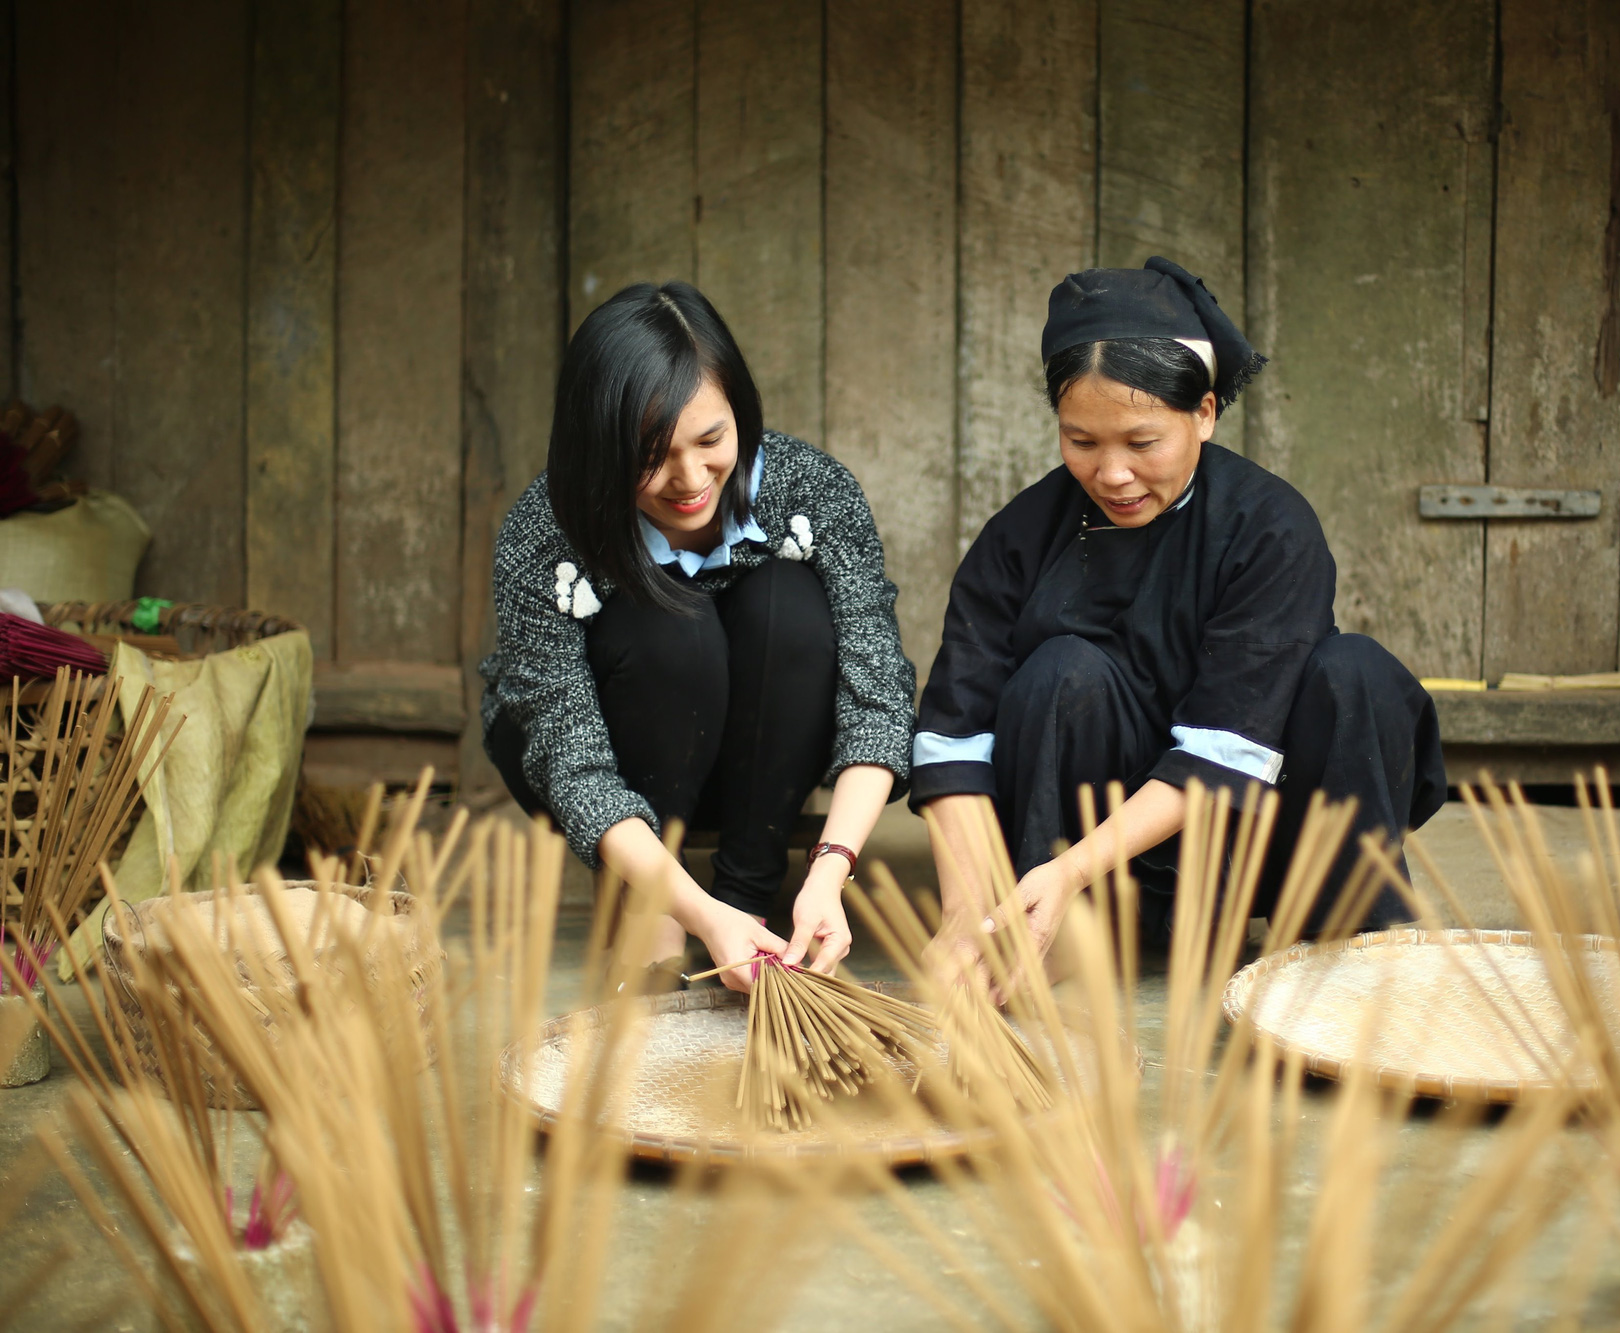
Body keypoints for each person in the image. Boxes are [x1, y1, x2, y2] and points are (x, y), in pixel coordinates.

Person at [912, 256, 1445, 980]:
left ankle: (1351, 950)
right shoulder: (1021, 534)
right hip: (1091, 857)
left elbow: (1226, 747)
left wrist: (1069, 868)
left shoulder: (1269, 526)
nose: (1112, 474)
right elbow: (954, 738)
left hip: (1256, 830)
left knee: (1356, 674)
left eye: (1141, 442)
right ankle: (1050, 932)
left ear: (1204, 412)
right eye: (1081, 441)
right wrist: (965, 912)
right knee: (1060, 671)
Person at [480, 281, 914, 991]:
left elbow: (878, 697)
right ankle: (656, 915)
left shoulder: (813, 490)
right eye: (649, 456)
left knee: (790, 604)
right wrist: (680, 904)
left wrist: (832, 866)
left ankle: (747, 899)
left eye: (711, 439)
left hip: (761, 765)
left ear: (740, 409)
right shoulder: (545, 529)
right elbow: (572, 762)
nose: (689, 478)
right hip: (608, 766)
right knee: (670, 628)